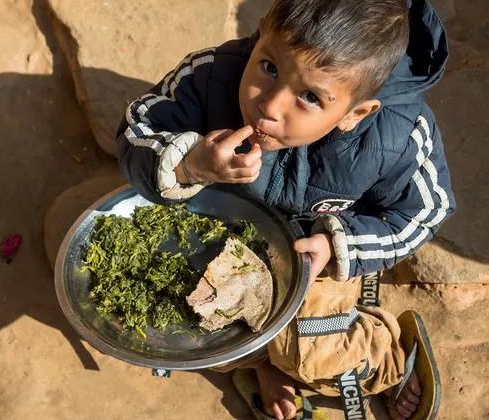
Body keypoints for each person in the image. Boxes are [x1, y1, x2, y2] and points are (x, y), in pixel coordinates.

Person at [116, 0, 453, 418]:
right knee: (180, 325)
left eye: (310, 97)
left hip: (314, 260)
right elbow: (137, 130)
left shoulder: (397, 136)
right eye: (269, 67)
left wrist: (339, 245)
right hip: (220, 240)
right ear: (261, 33)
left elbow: (426, 211)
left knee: (315, 349)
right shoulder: (210, 74)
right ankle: (260, 364)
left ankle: (385, 355)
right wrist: (190, 164)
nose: (270, 106)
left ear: (354, 113)